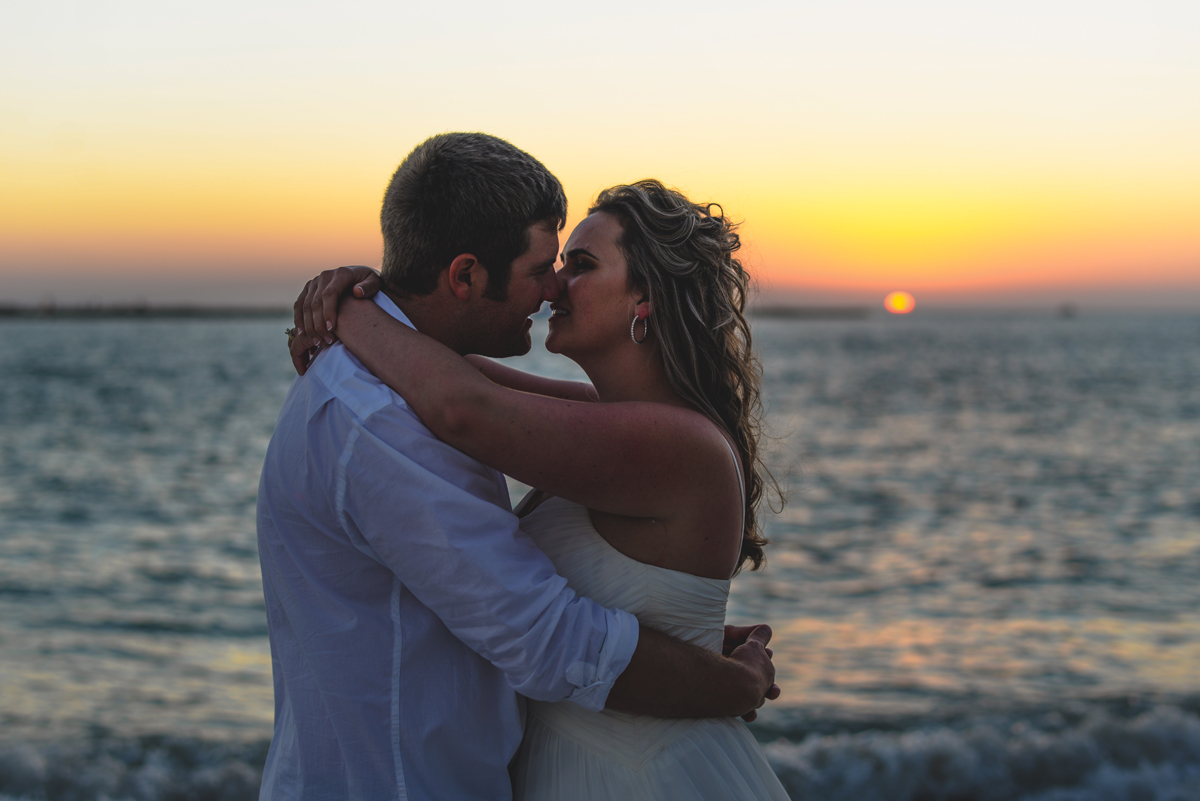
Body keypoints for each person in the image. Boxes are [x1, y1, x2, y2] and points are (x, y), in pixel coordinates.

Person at [260, 132, 779, 801]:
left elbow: (463, 402)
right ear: (467, 274)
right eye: (549, 264)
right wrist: (359, 305)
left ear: (642, 299)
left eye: (580, 264)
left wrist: (355, 310)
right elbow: (464, 385)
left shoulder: (671, 440)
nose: (556, 284)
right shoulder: (402, 412)